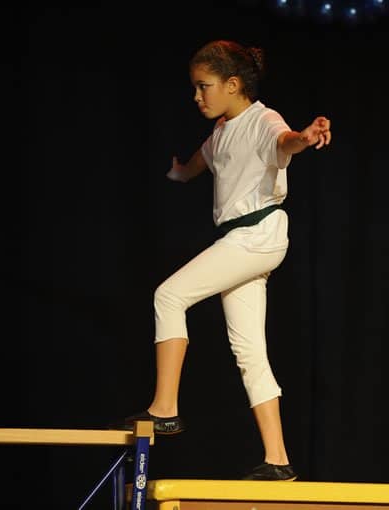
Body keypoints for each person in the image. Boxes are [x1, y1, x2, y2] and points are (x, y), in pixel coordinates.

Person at [112, 39, 331, 482]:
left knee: (169, 296)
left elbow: (284, 140)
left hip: (257, 233)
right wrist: (178, 171)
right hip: (244, 241)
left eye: (204, 86)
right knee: (249, 351)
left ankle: (165, 408)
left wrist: (304, 138)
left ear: (233, 85)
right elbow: (202, 160)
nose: (197, 96)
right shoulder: (220, 132)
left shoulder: (262, 120)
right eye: (195, 88)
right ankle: (278, 459)